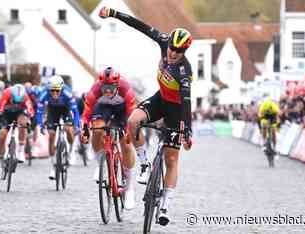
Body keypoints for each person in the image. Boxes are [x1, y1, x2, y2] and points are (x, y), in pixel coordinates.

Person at [99, 7, 193, 226]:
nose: (172, 53)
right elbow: (138, 25)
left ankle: (166, 205)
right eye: (171, 47)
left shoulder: (184, 73)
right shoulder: (163, 41)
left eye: (178, 51)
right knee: (133, 121)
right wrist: (113, 13)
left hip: (177, 110)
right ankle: (142, 164)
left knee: (171, 158)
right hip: (160, 99)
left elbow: (187, 103)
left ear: (184, 52)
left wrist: (187, 130)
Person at [80, 67, 137, 209]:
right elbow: (86, 114)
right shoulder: (95, 90)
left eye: (111, 88)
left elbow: (132, 116)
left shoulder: (126, 89)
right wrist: (85, 129)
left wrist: (129, 132)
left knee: (126, 144)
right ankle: (100, 163)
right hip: (102, 108)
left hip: (122, 111)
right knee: (97, 129)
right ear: (101, 85)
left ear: (117, 85)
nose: (107, 91)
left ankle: (130, 189)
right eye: (105, 87)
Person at [36, 75, 80, 180]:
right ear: (48, 89)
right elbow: (39, 112)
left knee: (69, 129)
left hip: (65, 110)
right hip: (52, 111)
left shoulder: (67, 94)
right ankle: (53, 166)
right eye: (52, 91)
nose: (55, 93)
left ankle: (71, 151)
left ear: (61, 89)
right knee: (51, 135)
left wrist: (76, 125)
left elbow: (75, 111)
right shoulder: (44, 94)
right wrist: (41, 125)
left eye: (57, 91)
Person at [0, 84, 35, 179]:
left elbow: (31, 111)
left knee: (23, 123)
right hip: (6, 114)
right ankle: (1, 164)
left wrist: (29, 124)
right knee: (2, 135)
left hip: (19, 113)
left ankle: (21, 150)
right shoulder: (6, 93)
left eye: (18, 102)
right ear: (11, 97)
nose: (16, 104)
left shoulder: (25, 97)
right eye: (14, 102)